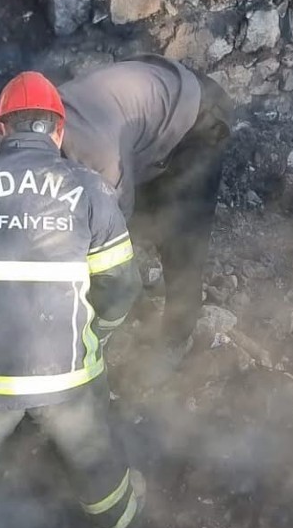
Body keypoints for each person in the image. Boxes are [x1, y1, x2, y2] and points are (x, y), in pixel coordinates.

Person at [0, 71, 145, 528]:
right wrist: (98, 333)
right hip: (66, 376)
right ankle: (114, 517)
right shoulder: (93, 192)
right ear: (59, 131)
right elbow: (120, 285)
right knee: (91, 448)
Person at [56, 55, 234, 381]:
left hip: (198, 116)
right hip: (144, 110)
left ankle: (175, 338)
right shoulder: (9, 143)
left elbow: (110, 238)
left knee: (180, 234)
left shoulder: (99, 158)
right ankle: (135, 297)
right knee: (136, 219)